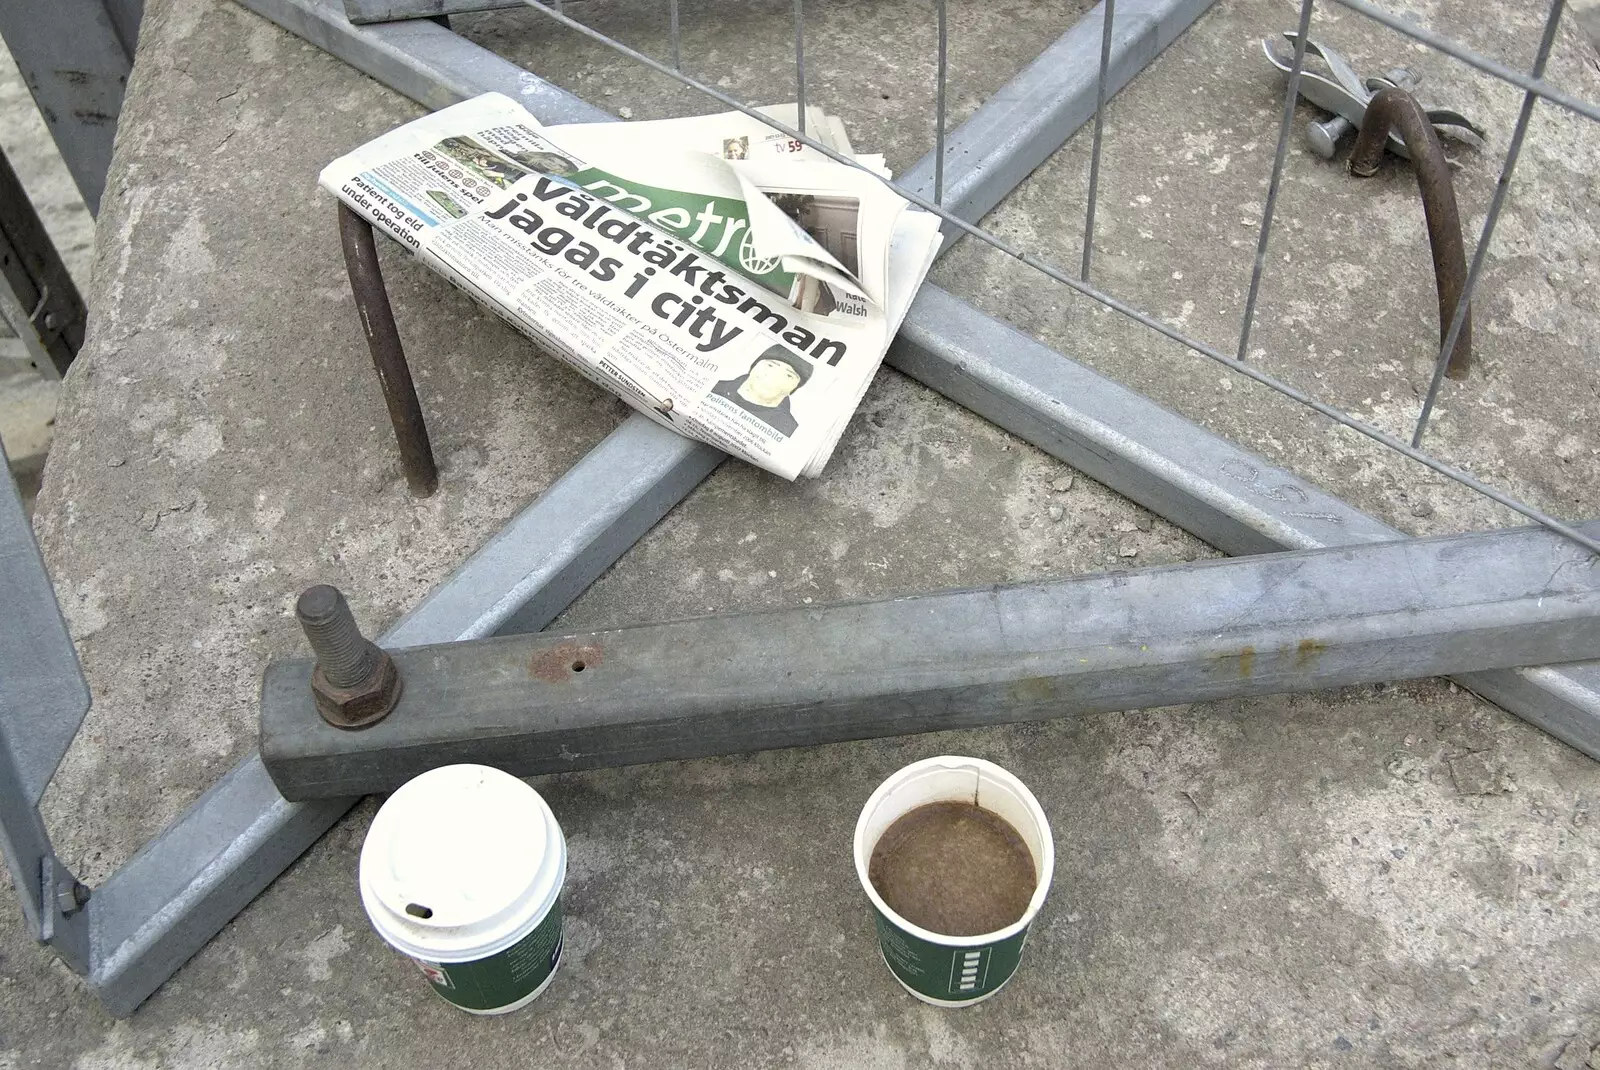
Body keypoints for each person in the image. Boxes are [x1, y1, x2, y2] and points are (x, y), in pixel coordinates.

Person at [710, 345, 813, 436]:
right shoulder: (713, 387)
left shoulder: (789, 429)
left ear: (795, 388)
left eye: (789, 375)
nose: (774, 376)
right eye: (770, 365)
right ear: (753, 368)